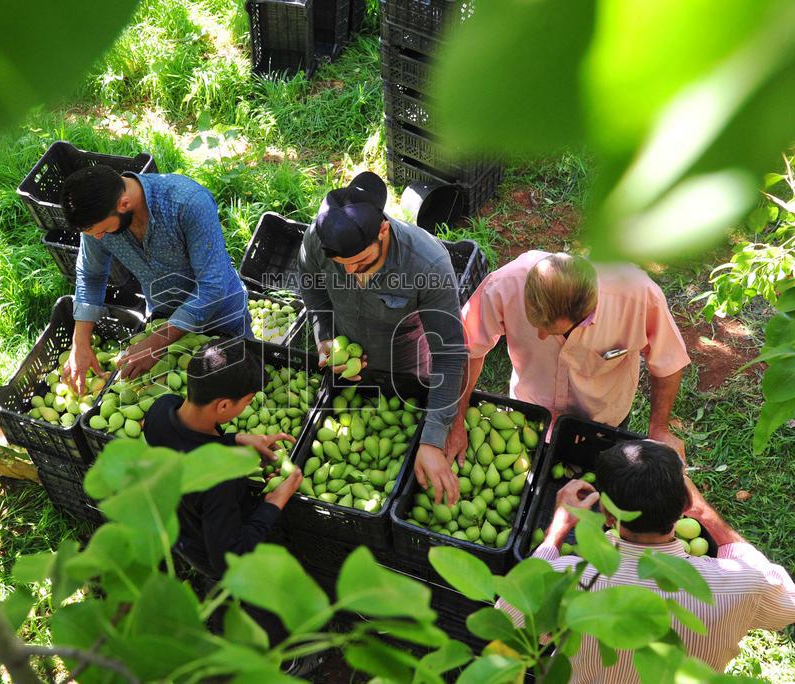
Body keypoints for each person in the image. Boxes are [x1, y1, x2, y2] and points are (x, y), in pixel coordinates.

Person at [499, 440, 795, 681]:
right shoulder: (742, 583)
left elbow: (508, 619)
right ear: (684, 506)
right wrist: (706, 514)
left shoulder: (564, 581)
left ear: (607, 515)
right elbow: (789, 606)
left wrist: (556, 533)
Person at [298, 171, 466, 505]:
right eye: (342, 267)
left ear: (383, 231)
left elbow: (449, 354)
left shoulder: (428, 264)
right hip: (347, 358)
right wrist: (325, 338)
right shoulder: (316, 240)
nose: (351, 275)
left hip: (405, 362)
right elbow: (314, 295)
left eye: (361, 264)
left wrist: (432, 440)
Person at [447, 251, 690, 461]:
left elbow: (668, 362)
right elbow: (469, 348)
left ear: (585, 315)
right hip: (530, 408)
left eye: (551, 330)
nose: (541, 336)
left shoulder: (637, 297)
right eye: (534, 324)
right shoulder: (506, 284)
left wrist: (659, 428)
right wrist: (457, 416)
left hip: (603, 418)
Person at [59, 164, 251, 394]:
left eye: (103, 231)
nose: (99, 238)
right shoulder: (100, 219)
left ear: (124, 204)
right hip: (164, 315)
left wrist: (155, 343)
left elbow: (213, 285)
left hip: (222, 316)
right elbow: (91, 275)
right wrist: (80, 342)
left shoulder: (188, 203)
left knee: (240, 383)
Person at [142, 338, 303, 579]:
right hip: (207, 550)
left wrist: (234, 439)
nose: (248, 407)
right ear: (225, 405)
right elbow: (228, 559)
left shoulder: (162, 408)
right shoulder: (219, 478)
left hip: (180, 525)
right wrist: (273, 502)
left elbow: (185, 443)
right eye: (248, 402)